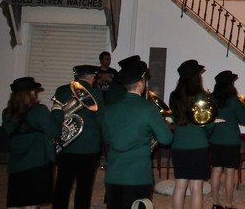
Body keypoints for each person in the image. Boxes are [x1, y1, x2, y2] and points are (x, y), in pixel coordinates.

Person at [103, 59, 173, 209]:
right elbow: (166, 139)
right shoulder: (148, 108)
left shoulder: (110, 108)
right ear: (141, 83)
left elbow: (107, 139)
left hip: (113, 174)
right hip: (138, 175)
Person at [2, 77, 61, 209]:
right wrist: (57, 111)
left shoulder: (6, 113)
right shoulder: (40, 110)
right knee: (31, 205)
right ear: (31, 92)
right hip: (37, 163)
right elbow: (54, 132)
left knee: (16, 203)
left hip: (16, 165)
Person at [52, 65, 105, 209]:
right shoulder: (96, 93)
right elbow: (101, 120)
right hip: (89, 147)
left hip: (65, 146)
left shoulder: (61, 90)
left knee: (62, 184)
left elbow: (55, 117)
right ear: (93, 77)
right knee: (84, 187)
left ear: (77, 75)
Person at [169, 59, 216, 209]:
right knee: (196, 188)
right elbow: (208, 124)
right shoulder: (201, 95)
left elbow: (174, 119)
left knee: (180, 186)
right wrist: (212, 124)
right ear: (196, 76)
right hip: (198, 145)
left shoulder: (173, 95)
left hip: (178, 145)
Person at [208, 70, 245, 209]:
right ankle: (228, 204)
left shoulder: (210, 98)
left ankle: (215, 203)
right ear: (230, 85)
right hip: (231, 140)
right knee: (230, 173)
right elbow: (244, 121)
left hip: (214, 138)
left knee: (216, 170)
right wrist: (242, 111)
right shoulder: (233, 100)